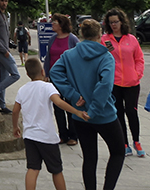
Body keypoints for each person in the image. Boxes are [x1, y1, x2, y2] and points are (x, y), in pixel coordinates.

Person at [50, 19, 124, 190]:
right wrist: (95, 108)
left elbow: (55, 72)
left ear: (81, 34)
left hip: (80, 114)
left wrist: (72, 95)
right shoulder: (105, 56)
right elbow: (105, 84)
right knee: (118, 151)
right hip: (104, 114)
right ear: (100, 35)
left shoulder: (69, 55)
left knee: (89, 158)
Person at [12, 57, 90, 190]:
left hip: (30, 136)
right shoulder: (48, 87)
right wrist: (77, 112)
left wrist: (15, 127)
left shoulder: (22, 90)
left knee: (33, 168)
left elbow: (15, 111)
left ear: (27, 74)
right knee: (56, 170)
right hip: (46, 137)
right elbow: (59, 102)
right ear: (43, 72)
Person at [101, 7, 145, 157]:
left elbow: (139, 59)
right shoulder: (105, 40)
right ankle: (124, 143)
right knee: (118, 113)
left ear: (122, 22)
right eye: (111, 22)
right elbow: (102, 59)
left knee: (131, 111)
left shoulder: (131, 39)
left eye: (116, 22)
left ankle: (137, 141)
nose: (114, 25)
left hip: (132, 82)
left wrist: (137, 74)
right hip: (114, 82)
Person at [44, 13, 80, 146]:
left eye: (54, 22)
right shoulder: (52, 39)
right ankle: (62, 134)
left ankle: (73, 135)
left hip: (69, 78)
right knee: (57, 106)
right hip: (55, 78)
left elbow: (79, 57)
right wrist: (46, 73)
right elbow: (48, 57)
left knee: (70, 105)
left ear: (61, 24)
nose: (52, 24)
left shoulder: (72, 39)